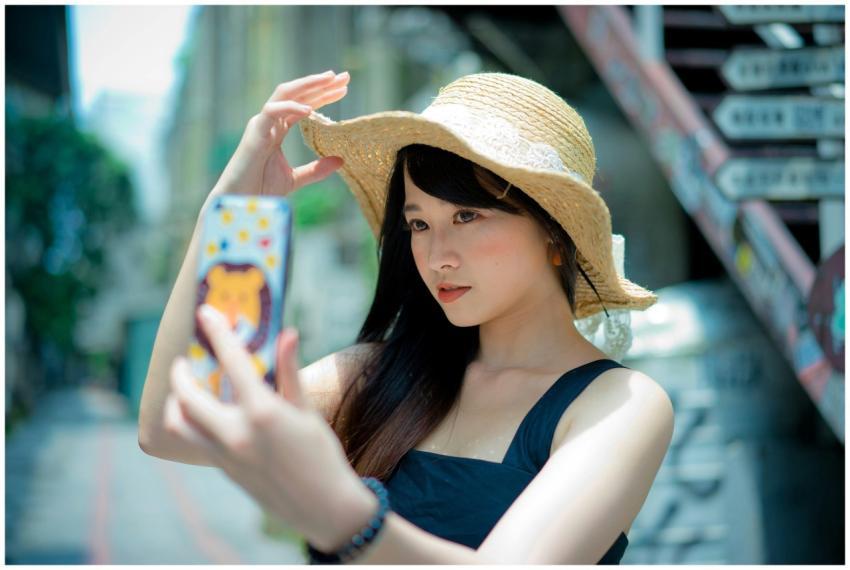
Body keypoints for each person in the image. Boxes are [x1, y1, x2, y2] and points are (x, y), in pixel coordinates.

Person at [138, 69, 675, 564]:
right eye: (418, 224)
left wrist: (345, 515)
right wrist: (230, 220)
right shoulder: (376, 376)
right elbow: (172, 426)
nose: (437, 253)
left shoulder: (618, 406)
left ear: (556, 235)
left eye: (468, 215)